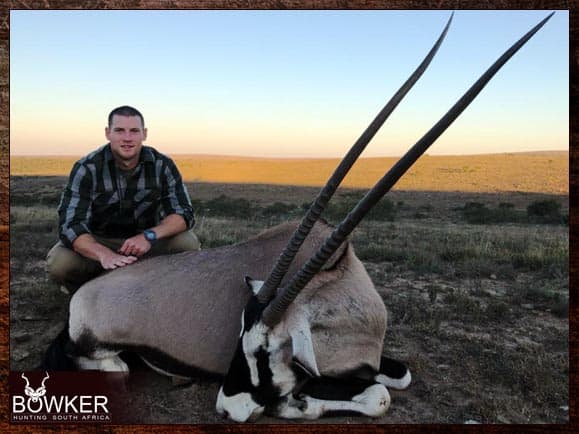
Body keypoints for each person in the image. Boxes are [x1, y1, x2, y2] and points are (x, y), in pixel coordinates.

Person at [46, 105, 200, 294]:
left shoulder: (163, 165)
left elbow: (183, 214)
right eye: (119, 130)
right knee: (59, 263)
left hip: (147, 241)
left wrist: (148, 236)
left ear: (144, 134)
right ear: (107, 133)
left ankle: (160, 288)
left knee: (188, 244)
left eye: (134, 131)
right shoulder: (87, 168)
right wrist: (104, 255)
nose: (127, 138)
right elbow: (70, 225)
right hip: (100, 241)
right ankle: (86, 291)